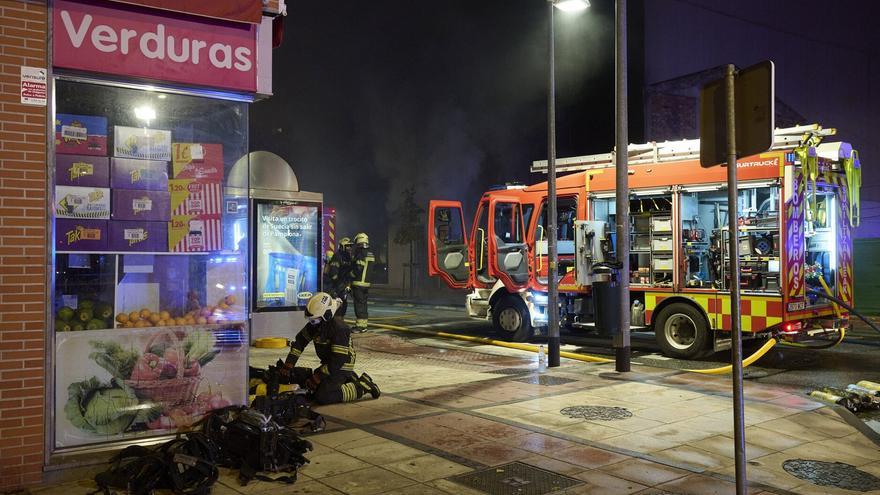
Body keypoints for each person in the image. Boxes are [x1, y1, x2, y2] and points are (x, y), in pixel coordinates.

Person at [279, 292, 380, 405]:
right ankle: (348, 379)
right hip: (328, 364)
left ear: (326, 316)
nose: (311, 323)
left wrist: (318, 376)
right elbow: (299, 343)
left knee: (323, 396)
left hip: (342, 365)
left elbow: (338, 361)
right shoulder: (316, 325)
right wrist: (288, 365)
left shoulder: (339, 329)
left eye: (314, 320)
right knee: (301, 379)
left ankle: (363, 386)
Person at [350, 232, 374, 333]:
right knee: (363, 305)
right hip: (366, 284)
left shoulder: (360, 253)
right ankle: (364, 325)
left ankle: (360, 327)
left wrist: (350, 275)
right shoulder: (370, 253)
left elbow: (358, 268)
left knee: (359, 305)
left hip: (358, 283)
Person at [322, 237, 353, 316]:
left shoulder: (349, 258)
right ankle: (334, 320)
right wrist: (338, 284)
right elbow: (333, 273)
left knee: (343, 304)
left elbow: (349, 271)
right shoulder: (338, 256)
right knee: (336, 304)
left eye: (350, 246)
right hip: (336, 285)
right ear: (342, 247)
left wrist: (348, 284)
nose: (349, 248)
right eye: (347, 246)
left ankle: (340, 320)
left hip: (344, 284)